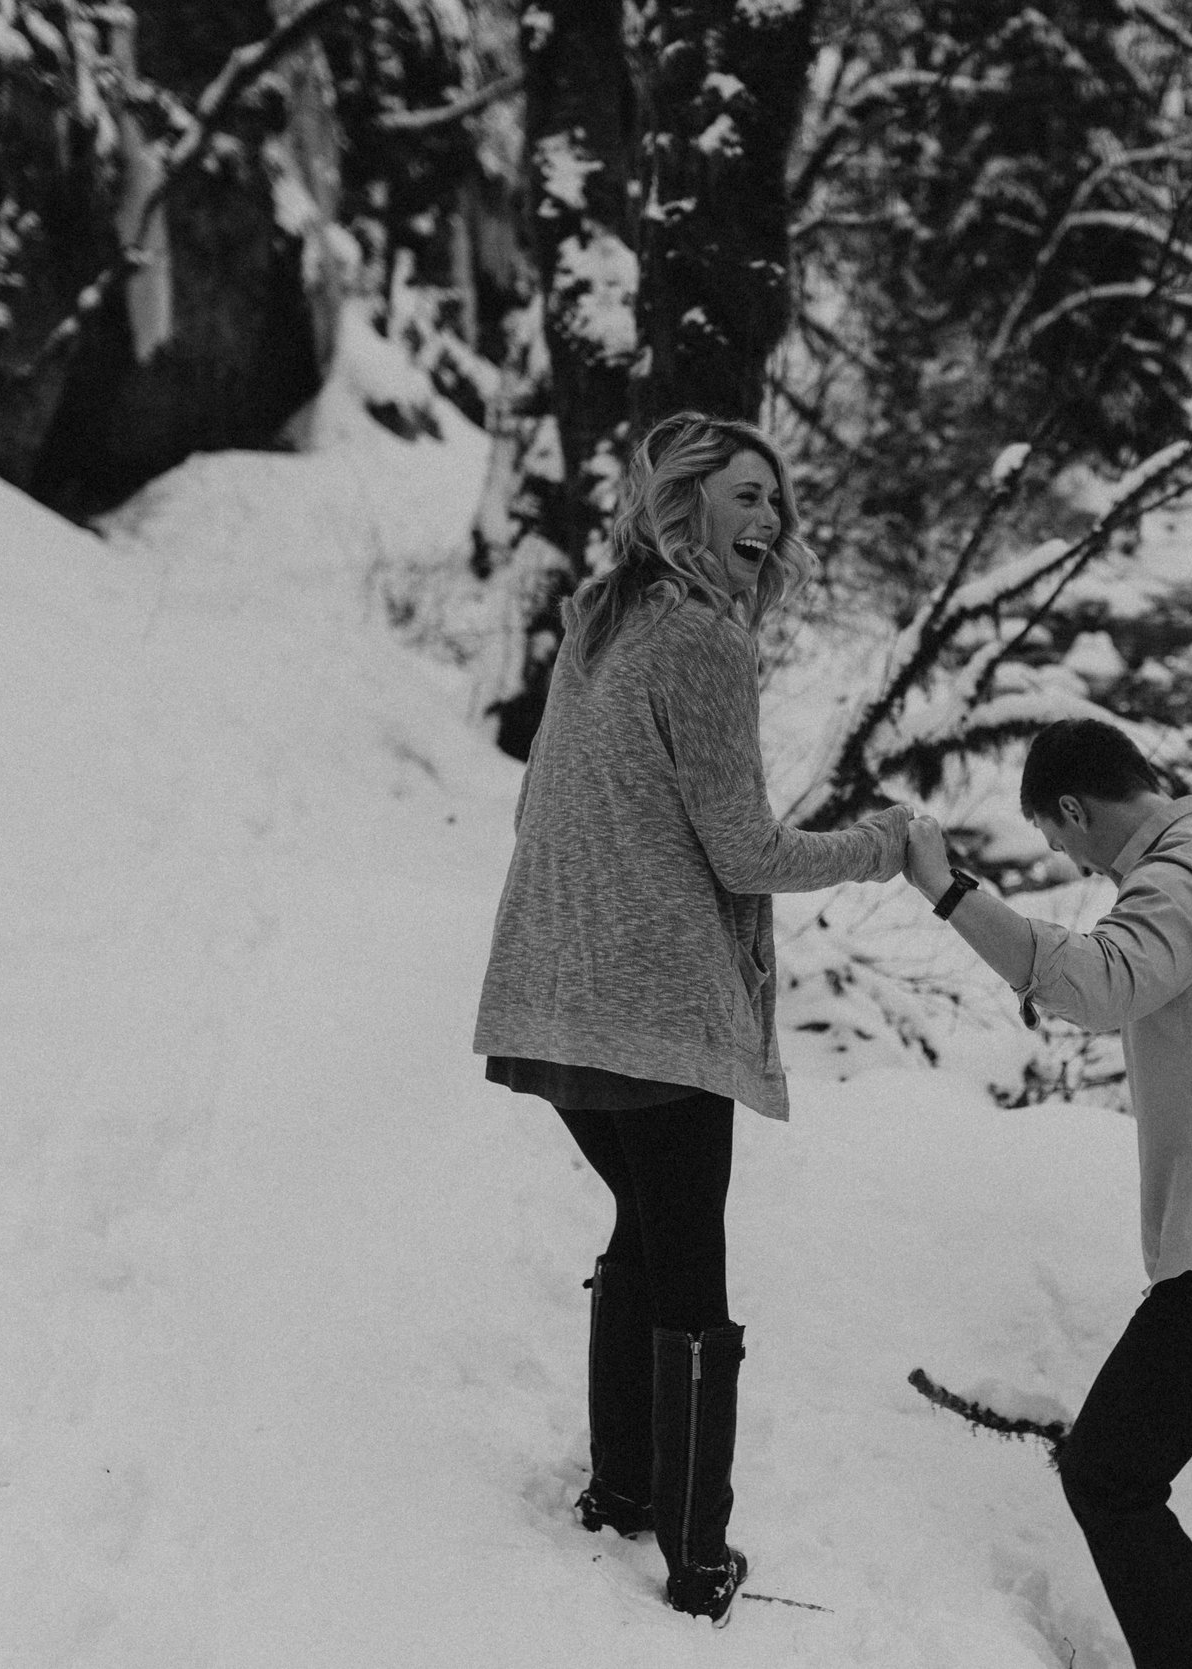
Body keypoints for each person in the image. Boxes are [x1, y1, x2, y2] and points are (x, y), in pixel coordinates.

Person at [472, 413, 910, 1623]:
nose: (767, 520)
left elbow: (536, 811)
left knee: (647, 1226)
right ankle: (698, 1560)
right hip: (649, 1004)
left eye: (777, 501)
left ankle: (623, 1491)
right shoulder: (700, 638)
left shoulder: (600, 617)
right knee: (692, 1267)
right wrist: (885, 844)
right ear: (684, 507)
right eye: (744, 498)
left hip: (555, 988)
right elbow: (745, 850)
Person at [902, 718, 1192, 1669]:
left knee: (1107, 1477)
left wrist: (950, 891)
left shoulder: (1178, 878)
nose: (1067, 857)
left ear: (1075, 808)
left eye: (1055, 836)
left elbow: (1103, 981)